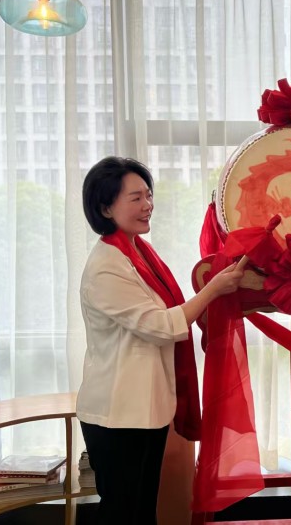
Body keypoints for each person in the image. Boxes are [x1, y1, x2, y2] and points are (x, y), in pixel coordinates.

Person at [77, 156, 246, 524]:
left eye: (148, 195)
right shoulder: (107, 266)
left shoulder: (137, 252)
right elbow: (160, 325)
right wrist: (214, 290)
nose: (147, 205)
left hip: (145, 408)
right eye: (135, 198)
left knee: (141, 511)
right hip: (118, 413)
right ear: (105, 208)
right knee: (123, 514)